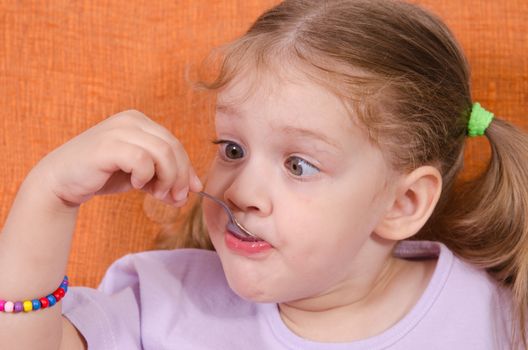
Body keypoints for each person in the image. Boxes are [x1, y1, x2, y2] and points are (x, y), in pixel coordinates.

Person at [1, 0, 527, 349]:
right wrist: (47, 198)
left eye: (299, 165)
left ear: (402, 204)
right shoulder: (160, 300)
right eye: (232, 148)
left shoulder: (497, 318)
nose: (243, 190)